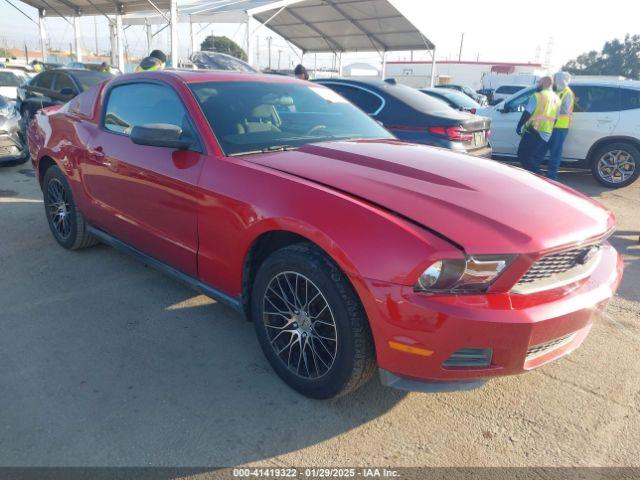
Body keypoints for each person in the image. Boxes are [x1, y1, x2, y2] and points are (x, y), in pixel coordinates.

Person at [516, 76, 560, 174]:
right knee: (533, 159)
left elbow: (527, 113)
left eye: (539, 82)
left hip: (534, 130)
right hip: (546, 133)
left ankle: (540, 176)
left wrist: (520, 125)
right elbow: (556, 118)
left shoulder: (538, 96)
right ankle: (534, 178)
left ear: (545, 83)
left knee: (523, 156)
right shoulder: (556, 98)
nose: (538, 84)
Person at [545, 71, 575, 180]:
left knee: (555, 153)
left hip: (560, 127)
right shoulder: (558, 91)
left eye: (555, 79)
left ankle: (552, 176)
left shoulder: (567, 93)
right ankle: (547, 175)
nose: (554, 81)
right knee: (547, 151)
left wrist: (550, 110)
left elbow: (564, 110)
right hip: (551, 126)